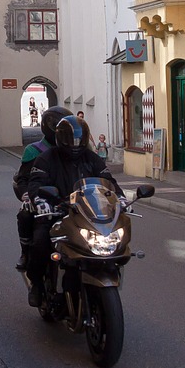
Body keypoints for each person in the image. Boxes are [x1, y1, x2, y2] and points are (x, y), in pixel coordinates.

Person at [25, 115, 119, 306]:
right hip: (57, 212)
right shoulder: (46, 158)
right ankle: (37, 284)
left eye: (78, 140)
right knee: (41, 241)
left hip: (86, 213)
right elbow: (36, 183)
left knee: (110, 241)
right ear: (60, 139)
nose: (75, 144)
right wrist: (41, 200)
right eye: (70, 140)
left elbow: (108, 181)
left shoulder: (92, 158)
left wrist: (120, 198)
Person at [13, 105, 71, 272]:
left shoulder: (76, 150)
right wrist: (26, 195)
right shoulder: (35, 150)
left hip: (71, 202)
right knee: (25, 215)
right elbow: (23, 178)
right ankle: (25, 253)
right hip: (42, 202)